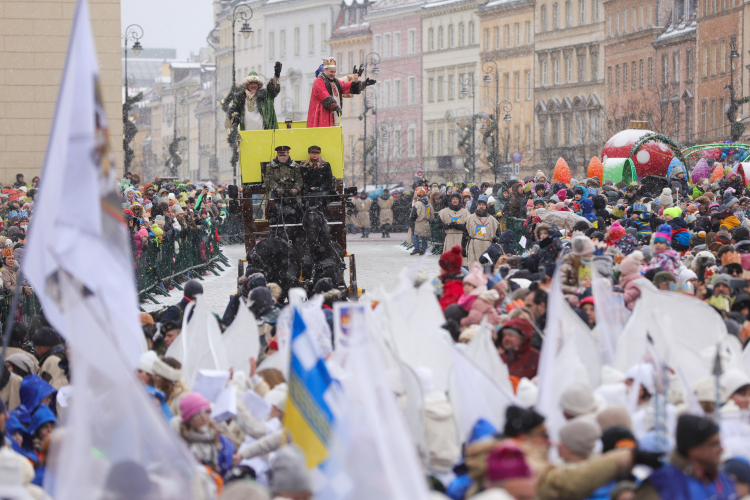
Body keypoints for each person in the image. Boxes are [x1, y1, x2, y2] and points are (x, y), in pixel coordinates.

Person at [635, 415, 733, 500]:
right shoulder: (661, 485)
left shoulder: (724, 480)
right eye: (715, 444)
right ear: (694, 451)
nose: (721, 449)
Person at [306, 57, 375, 128]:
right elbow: (323, 95)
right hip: (323, 117)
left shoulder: (334, 81)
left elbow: (345, 85)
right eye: (331, 72)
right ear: (324, 70)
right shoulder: (318, 81)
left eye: (334, 72)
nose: (333, 74)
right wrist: (334, 106)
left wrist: (361, 85)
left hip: (332, 117)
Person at [227, 66, 282, 132]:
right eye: (251, 83)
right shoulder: (240, 98)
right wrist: (235, 115)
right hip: (246, 135)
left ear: (258, 85)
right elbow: (233, 110)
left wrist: (276, 76)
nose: (253, 85)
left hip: (264, 134)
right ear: (247, 85)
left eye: (255, 83)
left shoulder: (265, 96)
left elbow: (273, 90)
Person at [265, 146, 303, 225]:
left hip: (290, 189)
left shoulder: (295, 166)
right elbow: (268, 180)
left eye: (284, 156)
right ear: (277, 156)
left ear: (288, 156)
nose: (282, 157)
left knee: (295, 203)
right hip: (276, 190)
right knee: (273, 200)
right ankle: (274, 218)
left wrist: (296, 188)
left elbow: (299, 179)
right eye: (280, 155)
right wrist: (276, 187)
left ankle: (294, 219)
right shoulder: (270, 166)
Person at [300, 145, 334, 214]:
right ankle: (310, 218)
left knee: (319, 196)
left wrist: (320, 188)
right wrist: (309, 188)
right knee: (310, 197)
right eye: (313, 153)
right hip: (310, 191)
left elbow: (329, 180)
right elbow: (303, 181)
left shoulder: (326, 165)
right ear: (310, 154)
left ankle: (321, 218)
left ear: (319, 154)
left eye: (316, 153)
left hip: (323, 190)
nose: (314, 154)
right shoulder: (305, 167)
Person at [437, 191, 470, 263]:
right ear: (450, 200)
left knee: (460, 261)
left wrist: (460, 227)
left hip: (461, 238)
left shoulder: (466, 213)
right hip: (449, 238)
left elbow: (469, 227)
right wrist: (449, 225)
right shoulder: (443, 212)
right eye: (453, 199)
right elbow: (439, 225)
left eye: (457, 199)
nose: (455, 200)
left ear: (459, 200)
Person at [466, 196, 499, 265]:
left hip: (486, 246)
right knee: (474, 268)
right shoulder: (470, 218)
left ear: (486, 206)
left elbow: (496, 234)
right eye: (479, 204)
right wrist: (463, 247)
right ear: (477, 205)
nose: (481, 206)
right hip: (474, 246)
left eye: (483, 205)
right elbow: (465, 233)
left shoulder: (492, 219)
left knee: (485, 268)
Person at [411, 188, 433, 255]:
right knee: (424, 236)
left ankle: (417, 248)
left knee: (414, 234)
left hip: (418, 222)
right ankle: (423, 250)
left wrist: (412, 219)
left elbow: (414, 214)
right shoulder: (429, 204)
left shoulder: (417, 204)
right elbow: (431, 214)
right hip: (426, 221)